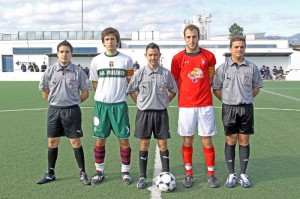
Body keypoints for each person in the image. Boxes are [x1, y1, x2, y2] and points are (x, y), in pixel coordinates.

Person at [171, 24, 219, 188]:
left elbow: (211, 75)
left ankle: (211, 174)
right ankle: (189, 174)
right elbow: (175, 80)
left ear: (199, 37)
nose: (191, 40)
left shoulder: (209, 56)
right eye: (188, 37)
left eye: (194, 36)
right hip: (186, 106)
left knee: (207, 140)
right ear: (184, 38)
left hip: (205, 105)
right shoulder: (177, 58)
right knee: (188, 140)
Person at [37, 40, 91, 185]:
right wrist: (55, 102)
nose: (64, 54)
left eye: (67, 52)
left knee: (75, 141)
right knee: (52, 141)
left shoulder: (78, 71)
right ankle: (50, 173)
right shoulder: (49, 71)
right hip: (54, 111)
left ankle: (83, 173)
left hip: (72, 111)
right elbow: (44, 91)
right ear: (57, 54)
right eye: (61, 52)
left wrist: (73, 102)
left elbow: (85, 93)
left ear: (71, 54)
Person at [212, 36, 263, 188]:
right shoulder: (223, 68)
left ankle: (242, 174)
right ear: (230, 49)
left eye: (241, 47)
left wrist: (245, 98)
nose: (239, 49)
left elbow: (257, 87)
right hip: (229, 109)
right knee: (230, 141)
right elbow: (216, 88)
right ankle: (231, 174)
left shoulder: (252, 67)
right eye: (236, 47)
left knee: (244, 141)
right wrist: (228, 100)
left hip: (246, 108)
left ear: (245, 48)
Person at [127, 43, 178, 189]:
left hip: (161, 113)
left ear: (159, 55)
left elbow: (173, 90)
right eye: (150, 55)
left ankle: (166, 172)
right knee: (144, 144)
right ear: (145, 56)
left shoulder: (166, 74)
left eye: (155, 54)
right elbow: (131, 90)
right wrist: (139, 103)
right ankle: (143, 176)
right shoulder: (140, 73)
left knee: (163, 144)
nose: (153, 57)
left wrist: (165, 102)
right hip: (144, 114)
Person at [89, 27, 134, 186]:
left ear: (117, 41)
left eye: (113, 39)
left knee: (123, 139)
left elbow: (130, 82)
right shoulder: (96, 61)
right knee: (100, 140)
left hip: (120, 106)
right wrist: (103, 95)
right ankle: (99, 171)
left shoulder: (126, 60)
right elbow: (95, 83)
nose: (110, 42)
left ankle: (125, 171)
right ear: (103, 42)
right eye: (107, 39)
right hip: (101, 106)